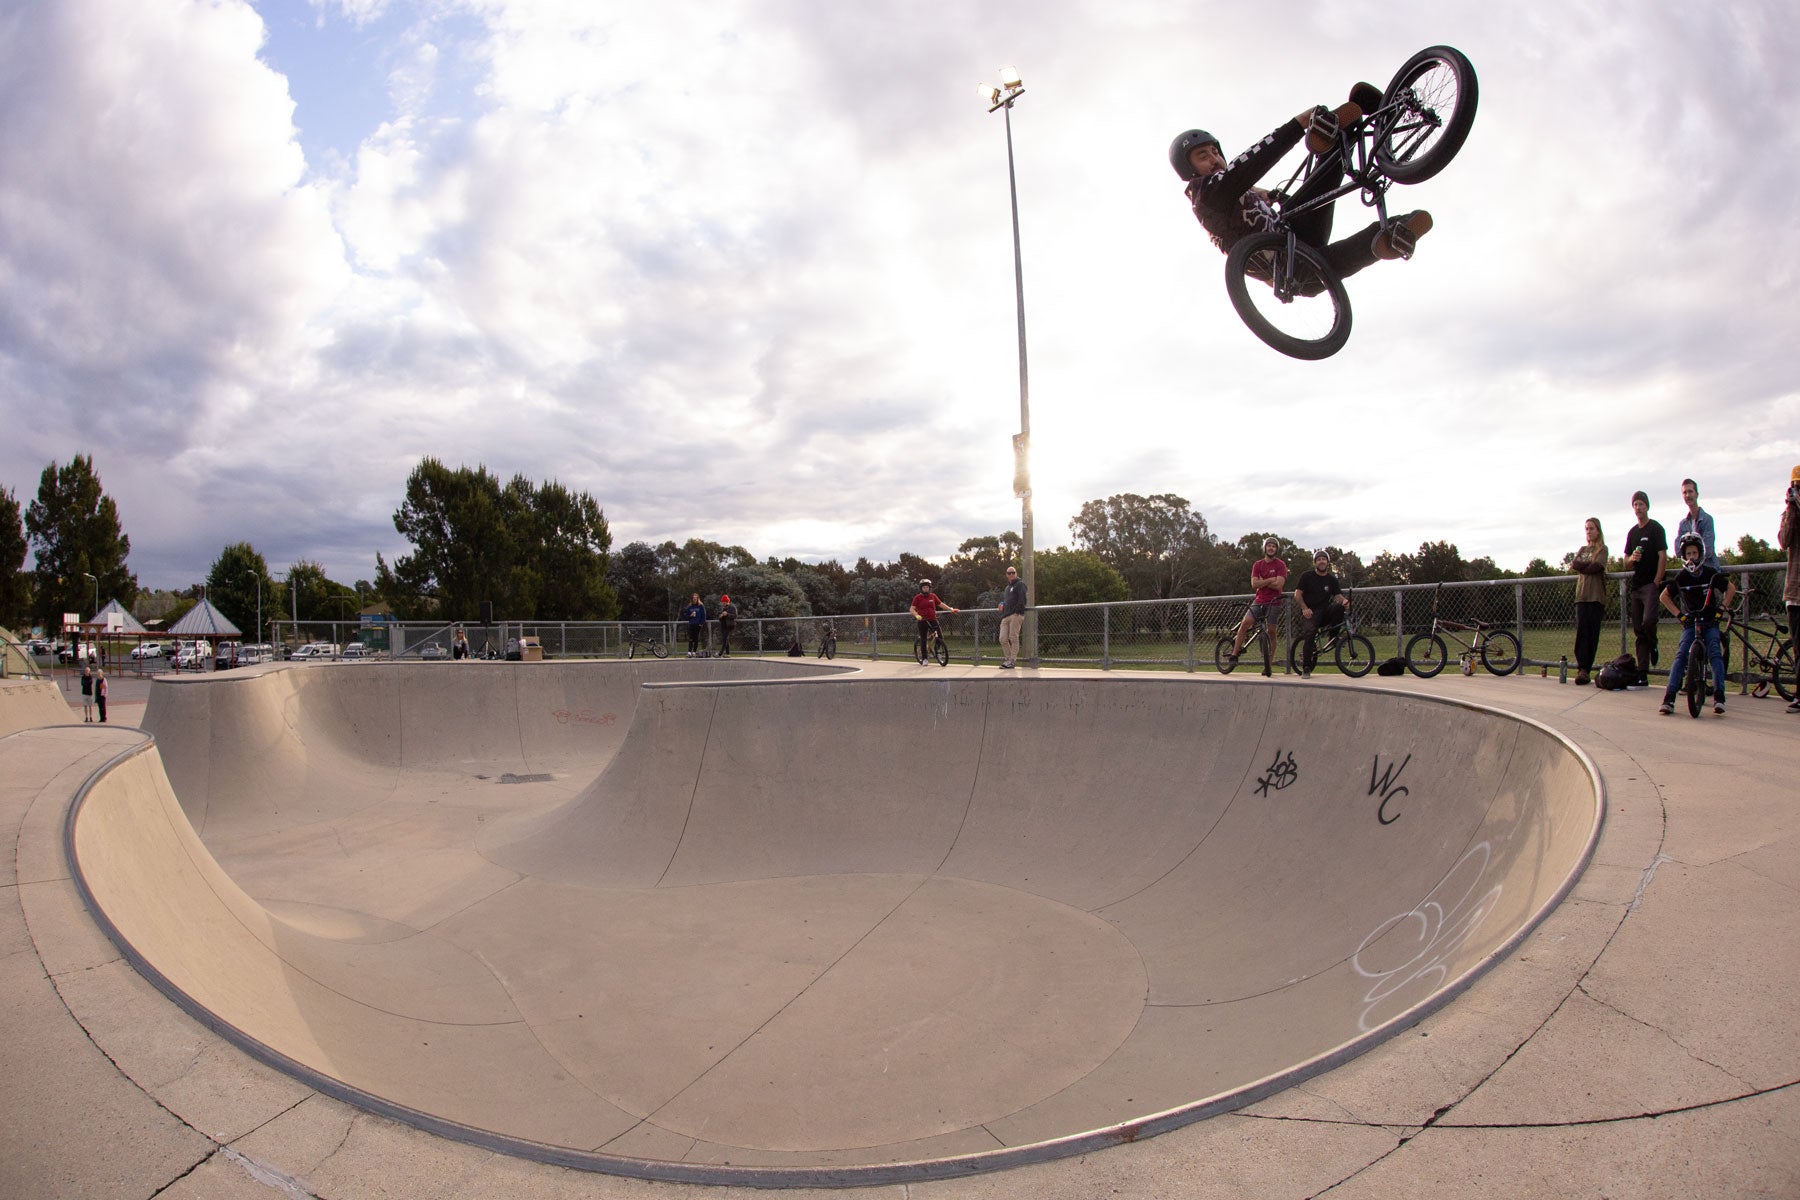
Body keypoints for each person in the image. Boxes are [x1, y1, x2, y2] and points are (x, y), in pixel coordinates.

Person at [1171, 86, 1435, 288]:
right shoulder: (1205, 195)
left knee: (1344, 250)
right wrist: (1298, 125)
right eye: (1203, 156)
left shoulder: (1228, 195)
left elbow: (1249, 190)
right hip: (1291, 265)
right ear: (1189, 169)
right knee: (1324, 266)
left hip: (1297, 242)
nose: (1214, 159)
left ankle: (1354, 122)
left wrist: (1270, 194)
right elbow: (1252, 161)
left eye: (1215, 152)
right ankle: (1330, 133)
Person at [1657, 533, 1735, 716]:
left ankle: (1719, 696)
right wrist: (1680, 615)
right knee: (1681, 655)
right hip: (1691, 623)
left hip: (1709, 622)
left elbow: (1730, 588)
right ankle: (1669, 698)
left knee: (1715, 652)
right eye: (1688, 554)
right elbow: (1664, 597)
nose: (1691, 557)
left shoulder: (1710, 574)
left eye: (1694, 553)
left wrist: (1722, 607)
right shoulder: (1682, 577)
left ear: (1700, 554)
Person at [1623, 490, 1667, 688]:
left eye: (1641, 504)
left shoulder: (1655, 528)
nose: (1638, 508)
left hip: (1650, 584)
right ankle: (1642, 672)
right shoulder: (1632, 532)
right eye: (1635, 504)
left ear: (1647, 506)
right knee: (1638, 629)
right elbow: (1625, 562)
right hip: (1636, 586)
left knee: (1649, 621)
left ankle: (1654, 643)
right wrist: (1632, 558)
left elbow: (1662, 556)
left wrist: (1658, 580)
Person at [1229, 539, 1289, 676]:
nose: (1271, 548)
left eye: (1274, 546)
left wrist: (1262, 581)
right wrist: (1269, 580)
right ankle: (1234, 654)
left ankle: (1269, 664)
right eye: (1269, 546)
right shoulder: (1258, 565)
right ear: (1265, 548)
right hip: (1259, 600)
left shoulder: (1280, 565)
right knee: (1245, 623)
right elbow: (1254, 584)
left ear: (1276, 549)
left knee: (1271, 631)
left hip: (1274, 602)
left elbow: (1279, 585)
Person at [1294, 551, 1349, 679]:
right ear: (1315, 563)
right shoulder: (1307, 576)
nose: (1321, 561)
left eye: (1324, 559)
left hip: (1324, 612)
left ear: (1328, 563)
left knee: (1339, 608)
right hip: (1310, 612)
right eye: (1319, 559)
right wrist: (1304, 608)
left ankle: (1333, 637)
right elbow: (1297, 594)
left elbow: (1338, 596)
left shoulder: (1331, 579)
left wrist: (1345, 601)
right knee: (1310, 633)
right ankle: (1306, 667)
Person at [1570, 518, 1609, 687]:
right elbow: (1575, 564)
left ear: (1598, 530)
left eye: (1591, 528)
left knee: (1592, 634)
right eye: (1586, 529)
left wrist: (1584, 566)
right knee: (1581, 632)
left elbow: (1597, 567)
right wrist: (1586, 565)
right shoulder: (1583, 549)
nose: (1588, 531)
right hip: (1582, 596)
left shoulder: (1602, 549)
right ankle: (1581, 669)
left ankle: (1586, 668)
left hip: (1595, 597)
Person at [1780, 465, 1800, 713]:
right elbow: (1784, 540)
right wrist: (1792, 508)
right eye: (1796, 485)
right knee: (1799, 648)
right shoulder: (1789, 513)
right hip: (1795, 592)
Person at [1676, 478, 1719, 570]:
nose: (1688, 495)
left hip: (1709, 569)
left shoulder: (1707, 519)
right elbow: (1678, 551)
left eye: (1690, 491)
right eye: (1684, 492)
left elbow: (1708, 551)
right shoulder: (1683, 524)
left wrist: (1688, 550)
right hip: (1691, 572)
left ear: (1697, 494)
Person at [909, 580, 958, 661]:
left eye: (927, 587)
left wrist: (951, 609)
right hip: (922, 621)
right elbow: (911, 609)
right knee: (923, 639)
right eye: (924, 587)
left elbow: (941, 604)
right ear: (921, 588)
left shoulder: (933, 596)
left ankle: (937, 652)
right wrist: (917, 615)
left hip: (933, 619)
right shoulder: (917, 597)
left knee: (940, 637)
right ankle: (924, 659)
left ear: (929, 588)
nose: (925, 589)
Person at [996, 565, 1027, 669]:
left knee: (1013, 637)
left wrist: (1017, 612)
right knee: (1002, 638)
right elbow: (1007, 601)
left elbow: (1022, 600)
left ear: (1016, 573)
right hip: (1006, 616)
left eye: (1013, 572)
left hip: (1015, 615)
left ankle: (1012, 661)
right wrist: (1002, 604)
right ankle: (1008, 659)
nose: (1011, 574)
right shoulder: (1007, 588)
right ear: (1006, 575)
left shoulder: (1020, 584)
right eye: (1009, 573)